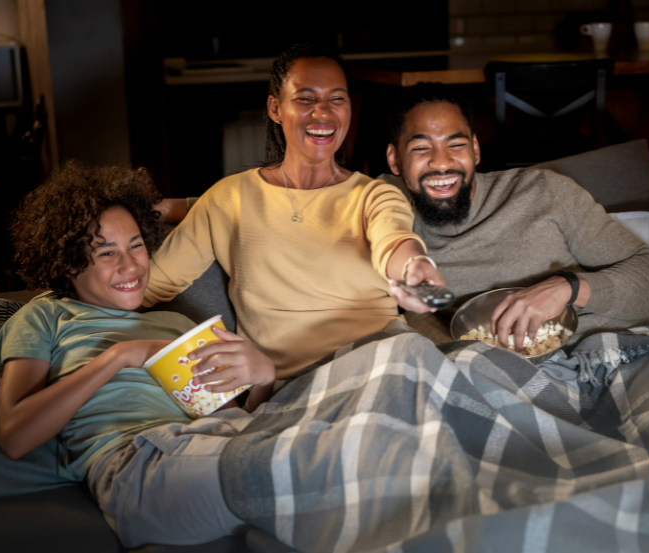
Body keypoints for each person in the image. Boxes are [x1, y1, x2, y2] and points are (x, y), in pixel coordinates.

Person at [0, 162, 267, 547]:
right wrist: (120, 355)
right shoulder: (45, 315)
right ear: (69, 262)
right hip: (134, 462)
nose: (130, 265)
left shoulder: (176, 324)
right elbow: (15, 436)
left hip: (208, 441)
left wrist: (264, 379)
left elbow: (229, 419)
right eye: (106, 252)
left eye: (136, 244)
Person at [145, 44, 444, 398]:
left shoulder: (374, 195)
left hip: (385, 363)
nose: (323, 114)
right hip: (295, 391)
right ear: (275, 108)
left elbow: (394, 241)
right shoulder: (229, 198)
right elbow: (151, 285)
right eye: (305, 99)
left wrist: (414, 265)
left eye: (337, 99)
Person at [383, 82, 649, 349]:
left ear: (475, 149)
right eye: (421, 148)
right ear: (395, 160)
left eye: (456, 144)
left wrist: (567, 288)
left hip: (619, 347)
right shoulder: (384, 215)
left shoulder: (542, 191)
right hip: (503, 375)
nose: (442, 162)